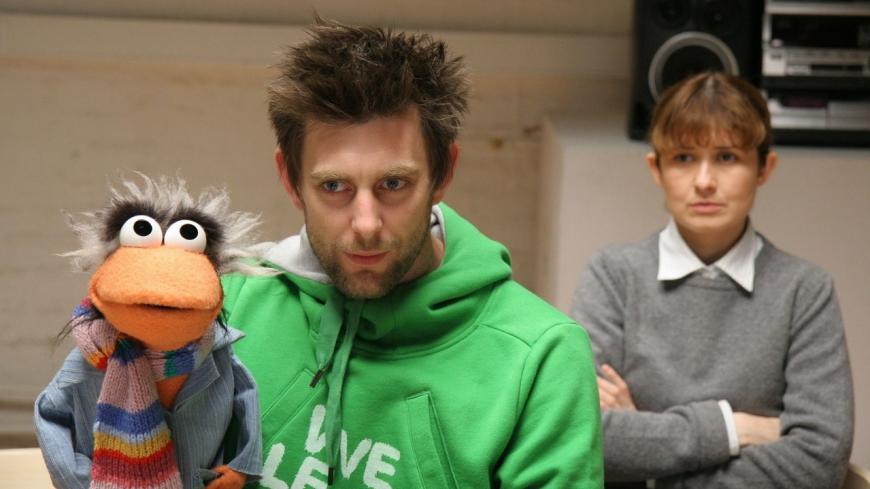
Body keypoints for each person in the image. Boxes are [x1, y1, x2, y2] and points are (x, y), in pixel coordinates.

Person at [220, 18, 603, 489]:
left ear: (443, 173)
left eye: (394, 184)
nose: (366, 224)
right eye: (334, 186)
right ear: (290, 179)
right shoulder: (226, 311)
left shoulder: (541, 355)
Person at [572, 71, 854, 489]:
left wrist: (650, 463)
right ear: (656, 168)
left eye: (726, 157)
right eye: (684, 158)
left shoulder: (805, 291)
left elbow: (819, 461)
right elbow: (585, 436)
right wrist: (735, 428)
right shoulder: (613, 276)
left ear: (764, 168)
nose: (704, 182)